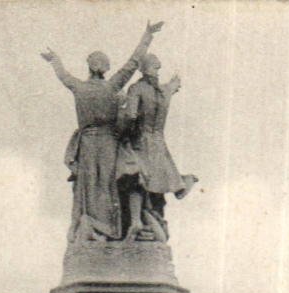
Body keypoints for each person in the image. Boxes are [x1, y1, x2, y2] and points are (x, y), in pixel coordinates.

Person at [42, 22, 162, 242]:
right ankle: (107, 229)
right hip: (108, 142)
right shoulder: (112, 86)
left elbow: (63, 75)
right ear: (105, 68)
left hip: (87, 143)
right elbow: (133, 63)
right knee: (108, 185)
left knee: (89, 186)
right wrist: (147, 35)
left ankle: (90, 226)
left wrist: (54, 61)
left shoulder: (79, 87)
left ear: (89, 67)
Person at [115, 52, 197, 241]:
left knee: (134, 179)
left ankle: (136, 221)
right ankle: (182, 184)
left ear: (142, 69)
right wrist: (174, 83)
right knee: (155, 185)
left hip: (141, 142)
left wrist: (120, 109)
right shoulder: (164, 91)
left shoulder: (137, 88)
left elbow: (131, 116)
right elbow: (173, 86)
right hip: (159, 144)